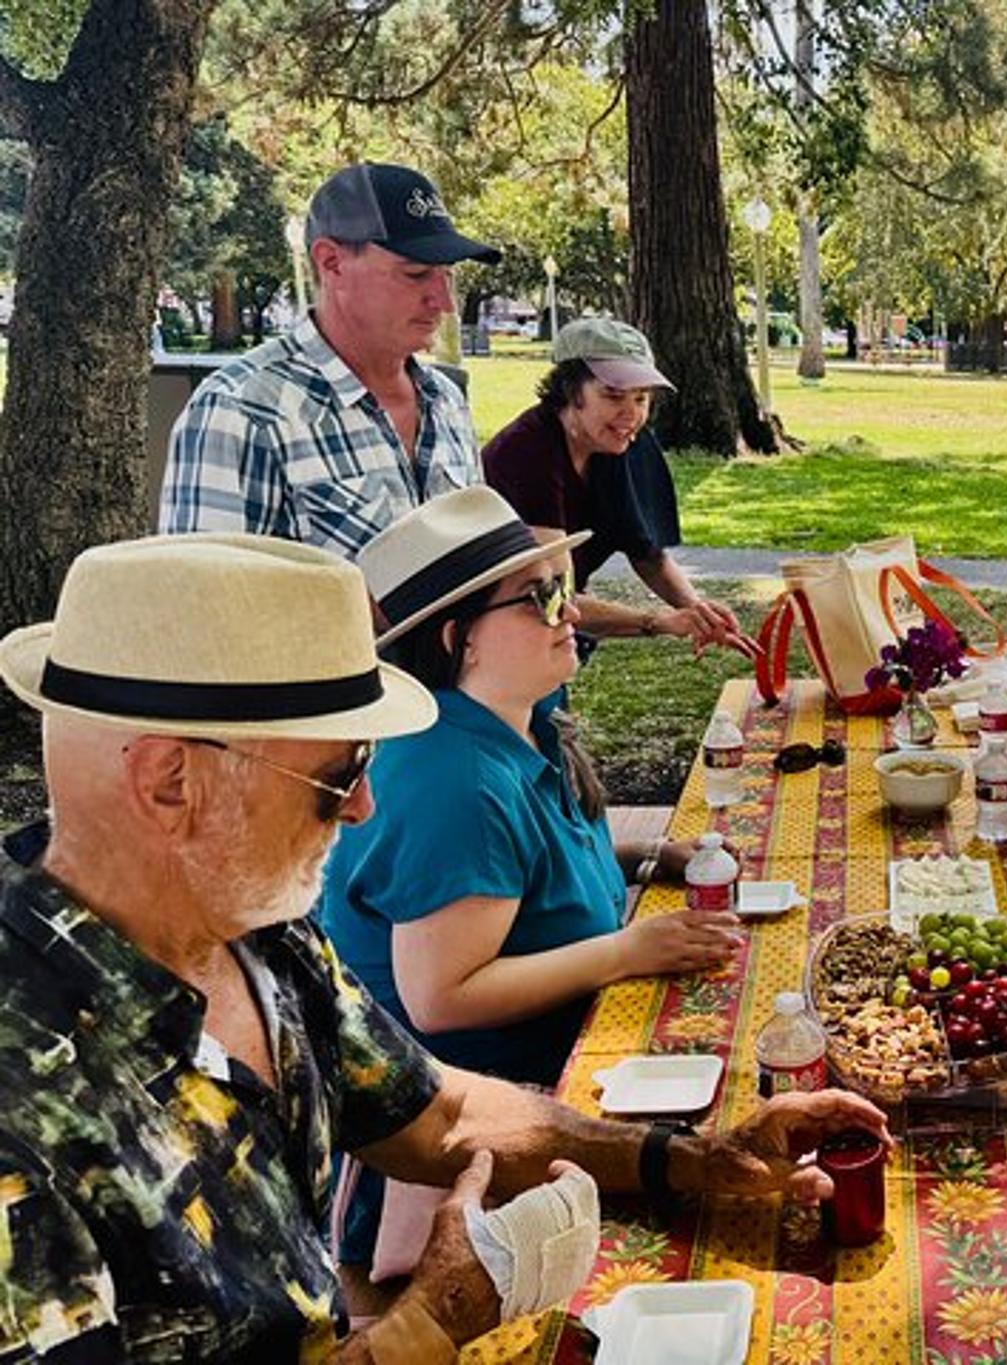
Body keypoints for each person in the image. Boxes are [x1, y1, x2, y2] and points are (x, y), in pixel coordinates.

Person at [0, 532, 887, 1361]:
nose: (363, 810)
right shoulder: (23, 1113)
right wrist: (425, 1324)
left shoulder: (250, 928)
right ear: (169, 782)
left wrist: (689, 1157)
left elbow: (437, 1116)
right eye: (338, 774)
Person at [322, 485, 748, 1264]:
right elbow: (443, 996)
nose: (574, 612)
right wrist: (627, 950)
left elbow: (524, 871)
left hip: (549, 1072)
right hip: (478, 1149)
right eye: (543, 597)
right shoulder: (453, 776)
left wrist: (646, 856)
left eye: (567, 588)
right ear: (461, 638)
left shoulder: (510, 719)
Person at [160, 163, 500, 558]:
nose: (444, 301)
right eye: (416, 273)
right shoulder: (240, 412)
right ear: (331, 262)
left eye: (448, 276)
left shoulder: (445, 400)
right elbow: (201, 604)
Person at [484, 318, 755, 655]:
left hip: (555, 637)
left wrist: (699, 612)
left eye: (641, 399)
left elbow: (647, 553)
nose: (630, 415)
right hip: (498, 639)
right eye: (613, 395)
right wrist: (655, 622)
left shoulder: (622, 441)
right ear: (570, 390)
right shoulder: (526, 452)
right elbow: (553, 597)